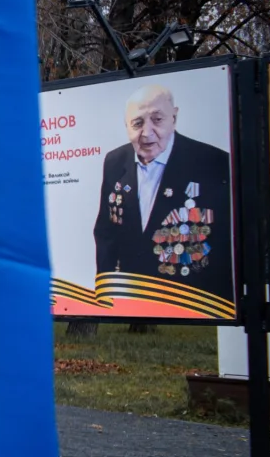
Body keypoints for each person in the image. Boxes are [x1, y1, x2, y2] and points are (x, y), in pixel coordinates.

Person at [93, 83, 232, 306]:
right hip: (131, 296)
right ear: (126, 125)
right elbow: (106, 232)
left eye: (157, 120)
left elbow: (224, 239)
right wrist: (105, 291)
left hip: (190, 299)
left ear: (174, 118)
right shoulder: (115, 162)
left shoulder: (213, 162)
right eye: (137, 123)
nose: (146, 133)